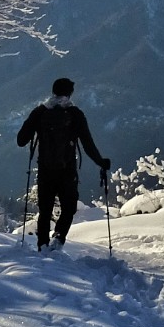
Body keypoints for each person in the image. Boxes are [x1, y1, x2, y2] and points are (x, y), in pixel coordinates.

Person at [16, 78, 110, 251]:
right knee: (69, 208)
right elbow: (88, 144)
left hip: (45, 170)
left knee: (45, 211)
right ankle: (58, 239)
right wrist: (101, 162)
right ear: (70, 93)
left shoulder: (40, 112)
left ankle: (42, 247)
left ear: (53, 92)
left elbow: (21, 140)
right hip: (67, 171)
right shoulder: (75, 114)